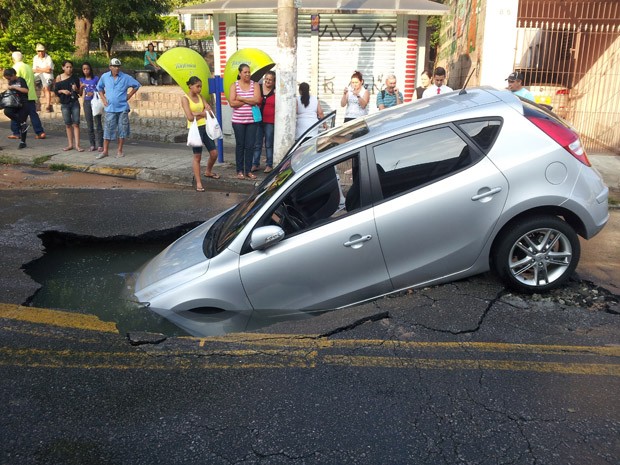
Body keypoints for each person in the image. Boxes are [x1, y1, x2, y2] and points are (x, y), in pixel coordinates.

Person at [96, 58, 141, 159]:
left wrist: (129, 95)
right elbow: (99, 88)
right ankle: (105, 151)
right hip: (110, 108)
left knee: (122, 129)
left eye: (118, 66)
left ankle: (120, 151)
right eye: (114, 66)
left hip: (122, 108)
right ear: (110, 67)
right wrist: (103, 98)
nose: (116, 68)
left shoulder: (125, 77)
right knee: (108, 129)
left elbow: (136, 85)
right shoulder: (105, 77)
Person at [181, 76, 220, 192]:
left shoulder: (200, 97)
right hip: (195, 129)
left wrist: (198, 113)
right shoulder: (185, 98)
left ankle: (208, 171)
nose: (199, 89)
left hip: (205, 127)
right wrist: (203, 113)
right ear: (190, 86)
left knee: (214, 153)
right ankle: (198, 182)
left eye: (201, 86)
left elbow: (210, 111)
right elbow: (189, 117)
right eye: (197, 86)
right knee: (197, 156)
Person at [229, 63, 261, 180]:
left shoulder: (255, 85)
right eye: (245, 72)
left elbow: (257, 100)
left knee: (250, 146)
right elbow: (232, 103)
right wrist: (249, 101)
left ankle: (248, 170)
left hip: (252, 121)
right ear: (240, 73)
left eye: (249, 72)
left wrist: (241, 98)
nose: (247, 74)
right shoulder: (234, 86)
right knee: (240, 145)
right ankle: (239, 171)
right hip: (238, 121)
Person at [8, 51, 45, 140]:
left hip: (21, 96)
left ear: (13, 59)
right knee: (33, 114)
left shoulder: (15, 68)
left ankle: (16, 132)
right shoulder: (28, 66)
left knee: (15, 113)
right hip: (31, 94)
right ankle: (40, 132)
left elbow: (16, 82)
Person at [54, 60, 83, 152]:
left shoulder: (75, 78)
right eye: (67, 67)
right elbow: (55, 91)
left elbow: (80, 93)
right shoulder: (59, 77)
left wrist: (77, 88)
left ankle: (77, 145)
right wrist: (62, 91)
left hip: (74, 102)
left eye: (70, 67)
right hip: (64, 103)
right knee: (67, 124)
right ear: (63, 67)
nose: (69, 69)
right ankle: (70, 144)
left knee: (76, 123)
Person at [251, 70, 276, 173]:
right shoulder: (259, 88)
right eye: (266, 79)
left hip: (270, 121)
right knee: (257, 143)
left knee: (269, 143)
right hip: (258, 120)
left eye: (270, 80)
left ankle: (269, 164)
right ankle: (255, 164)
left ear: (274, 82)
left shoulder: (276, 91)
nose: (268, 81)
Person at [2, 68, 30, 149]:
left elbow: (26, 90)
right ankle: (22, 123)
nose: (8, 80)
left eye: (9, 78)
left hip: (23, 103)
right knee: (7, 111)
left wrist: (14, 87)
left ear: (13, 75)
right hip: (14, 104)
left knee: (22, 122)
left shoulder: (21, 80)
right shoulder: (11, 82)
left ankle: (23, 142)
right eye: (7, 79)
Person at [79, 62, 103, 152]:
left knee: (98, 122)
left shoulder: (96, 79)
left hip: (95, 101)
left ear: (90, 69)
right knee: (89, 124)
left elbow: (101, 89)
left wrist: (93, 93)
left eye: (87, 69)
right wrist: (81, 87)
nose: (86, 71)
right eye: (84, 69)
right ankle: (92, 144)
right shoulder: (81, 79)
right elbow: (80, 93)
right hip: (87, 102)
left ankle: (100, 144)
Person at [32, 43, 54, 112]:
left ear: (44, 51)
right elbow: (34, 70)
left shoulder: (48, 57)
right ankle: (36, 104)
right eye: (39, 51)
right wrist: (44, 69)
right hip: (38, 75)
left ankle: (48, 106)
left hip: (47, 76)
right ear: (37, 51)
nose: (40, 52)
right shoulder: (35, 58)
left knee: (46, 87)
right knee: (31, 86)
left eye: (41, 51)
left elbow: (49, 70)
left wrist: (39, 69)